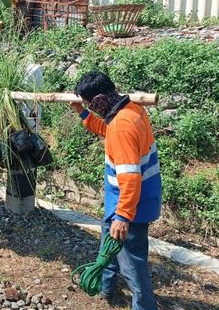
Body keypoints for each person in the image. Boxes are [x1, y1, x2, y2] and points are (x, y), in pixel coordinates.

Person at [70, 71, 161, 310]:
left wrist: (122, 217)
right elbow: (107, 130)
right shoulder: (131, 109)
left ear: (99, 101)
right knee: (107, 247)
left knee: (132, 263)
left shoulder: (122, 126)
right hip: (124, 202)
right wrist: (82, 112)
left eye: (90, 104)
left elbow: (130, 178)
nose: (91, 107)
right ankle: (105, 287)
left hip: (130, 205)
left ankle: (144, 306)